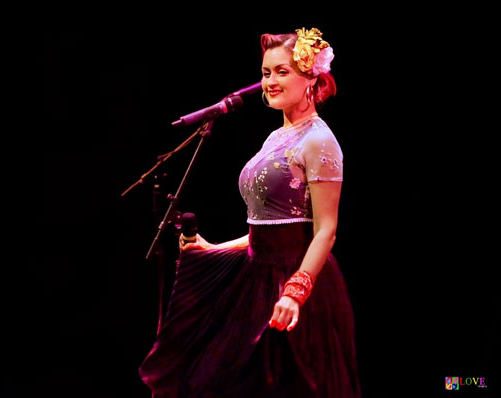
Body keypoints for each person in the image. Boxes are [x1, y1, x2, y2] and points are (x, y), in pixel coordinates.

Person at [139, 27, 360, 398]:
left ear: (311, 78)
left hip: (295, 286)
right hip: (259, 279)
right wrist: (216, 249)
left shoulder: (319, 140)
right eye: (265, 72)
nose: (269, 82)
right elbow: (271, 228)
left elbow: (325, 231)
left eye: (282, 71)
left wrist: (295, 292)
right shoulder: (276, 137)